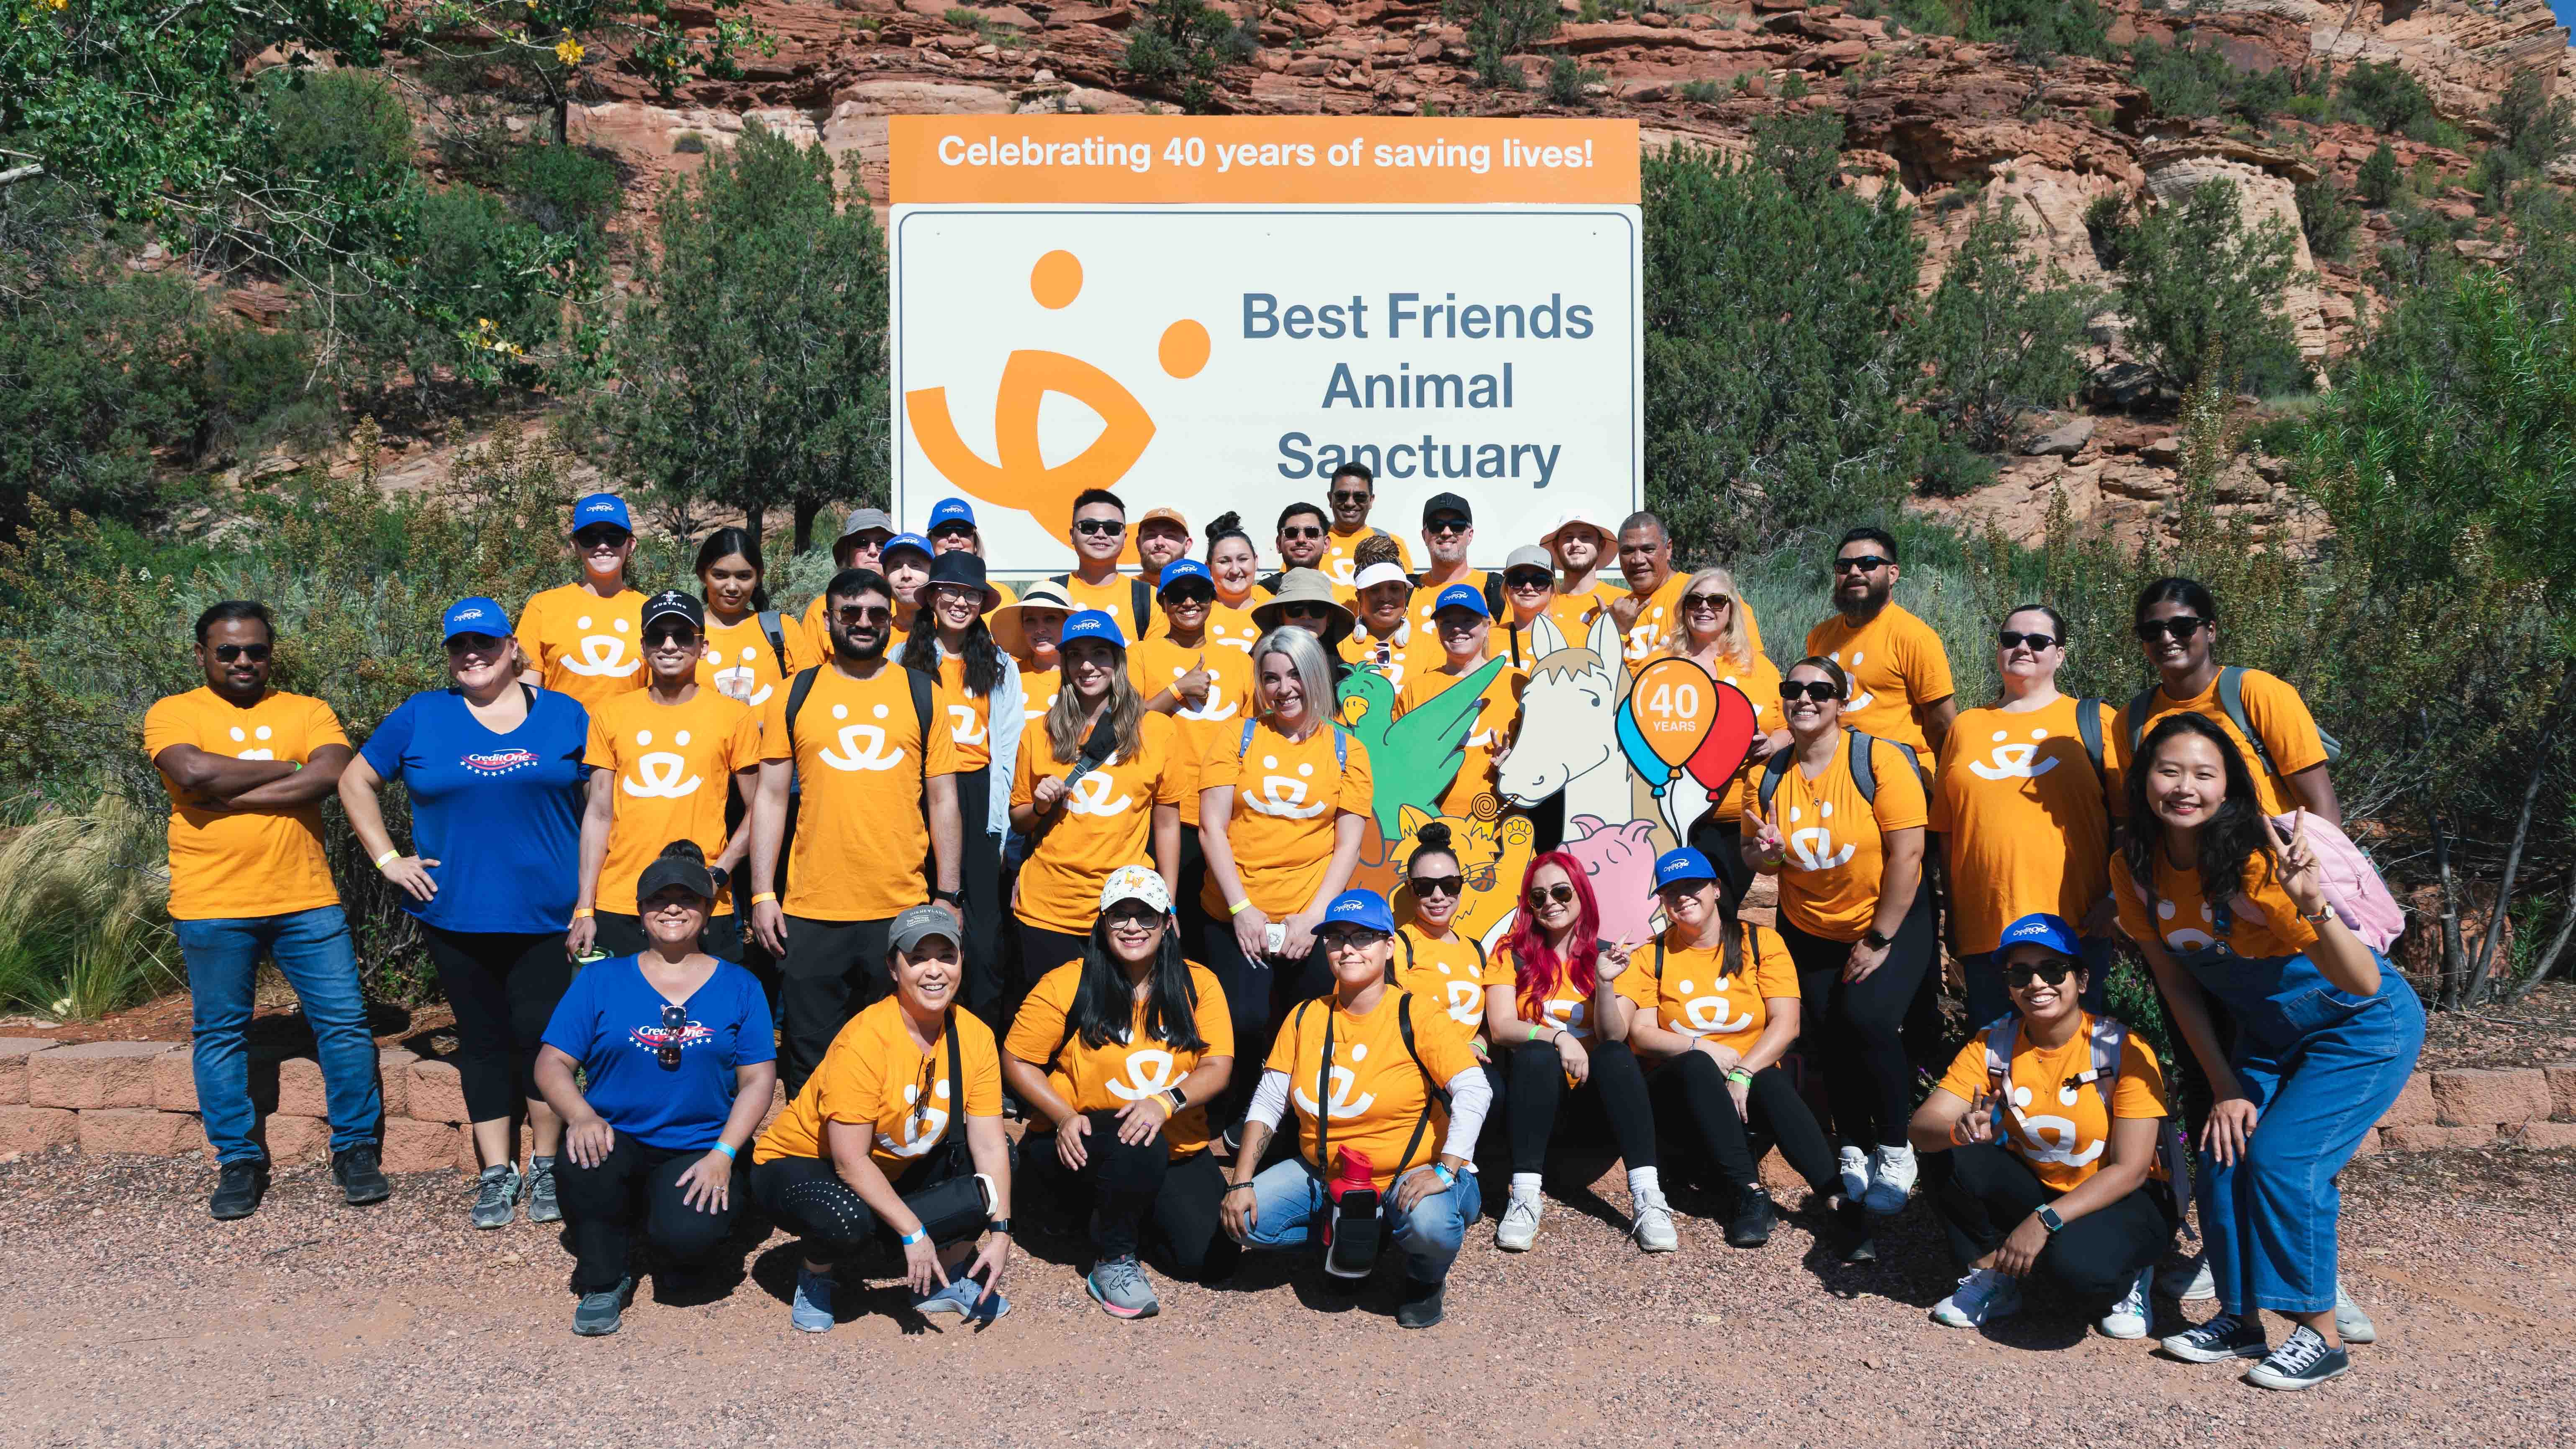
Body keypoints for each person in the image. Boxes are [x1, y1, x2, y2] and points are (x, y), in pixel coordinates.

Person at [2115, 714, 2422, 1390]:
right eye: (2170, 770)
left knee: (2286, 1160)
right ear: (2144, 782)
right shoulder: (2135, 866)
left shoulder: (2257, 858)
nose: (2185, 786)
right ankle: (2240, 1318)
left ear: (2228, 788)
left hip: (2361, 1027)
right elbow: (2176, 984)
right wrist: (2225, 1084)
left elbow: (2364, 981)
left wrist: (2313, 904)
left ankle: (2321, 1335)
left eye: (2204, 773)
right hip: (2270, 1034)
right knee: (2223, 1154)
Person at [341, 596, 590, 1229]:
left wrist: (593, 895)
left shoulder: (565, 715)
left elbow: (601, 806)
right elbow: (354, 780)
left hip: (547, 913)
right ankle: (495, 1170)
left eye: (485, 643)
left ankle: (547, 1164)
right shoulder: (423, 715)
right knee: (481, 1042)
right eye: (459, 646)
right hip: (454, 912)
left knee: (544, 1040)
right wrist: (389, 859)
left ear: (513, 647)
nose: (472, 655)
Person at [146, 601, 385, 1220]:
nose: (244, 660)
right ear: (202, 654)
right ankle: (239, 1158)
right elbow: (191, 769)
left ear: (270, 652)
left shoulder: (305, 709)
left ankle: (356, 1149)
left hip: (305, 896)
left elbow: (333, 773)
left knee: (344, 1023)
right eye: (228, 651)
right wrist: (288, 768)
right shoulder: (174, 711)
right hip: (211, 901)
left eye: (255, 649)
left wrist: (231, 790)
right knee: (222, 1033)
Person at [535, 844, 777, 1336]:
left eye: (687, 898)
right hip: (615, 1135)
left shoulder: (741, 985)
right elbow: (551, 1063)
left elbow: (759, 1080)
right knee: (585, 1162)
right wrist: (580, 1115)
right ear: (641, 912)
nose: (672, 907)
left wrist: (724, 1154)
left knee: (687, 1256)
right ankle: (605, 1278)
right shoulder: (601, 979)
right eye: (659, 898)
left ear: (708, 912)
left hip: (699, 1145)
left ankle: (662, 1225)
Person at [1221, 890, 1490, 1330]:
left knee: (1432, 1226)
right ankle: (1355, 1234)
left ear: (1388, 947)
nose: (1348, 948)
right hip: (1329, 1175)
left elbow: (1475, 1090)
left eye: (1364, 936)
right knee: (1244, 1221)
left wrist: (1445, 1170)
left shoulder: (1416, 1013)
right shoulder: (1305, 1016)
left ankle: (1425, 1276)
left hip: (1411, 1171)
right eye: (1336, 937)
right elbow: (1269, 1102)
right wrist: (1242, 1179)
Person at [1907, 912, 2176, 1339]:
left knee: (2076, 1274)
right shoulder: (1992, 1043)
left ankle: (2131, 1273)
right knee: (1948, 1151)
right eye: (2020, 973)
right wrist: (1960, 1129)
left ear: (2082, 980)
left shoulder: (2121, 1048)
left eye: (2053, 969)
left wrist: (2043, 1221)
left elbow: (2132, 1168)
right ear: (2009, 987)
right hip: (2042, 1186)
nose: (2036, 984)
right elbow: (1923, 1126)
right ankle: (1993, 1275)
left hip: (2123, 1198)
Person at [747, 569, 965, 1097]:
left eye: (875, 613)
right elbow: (771, 798)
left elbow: (944, 800)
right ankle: (814, 1171)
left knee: (900, 1053)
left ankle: (898, 1169)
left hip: (900, 908)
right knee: (811, 1058)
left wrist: (949, 894)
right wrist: (762, 892)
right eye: (850, 612)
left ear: (892, 619)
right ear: (828, 620)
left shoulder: (922, 692)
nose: (863, 623)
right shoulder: (793, 694)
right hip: (811, 908)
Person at [749, 905, 1017, 1331]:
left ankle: (938, 1279)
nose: (935, 971)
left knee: (1002, 1162)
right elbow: (849, 1160)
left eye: (947, 956)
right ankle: (816, 1273)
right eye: (918, 957)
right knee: (845, 1218)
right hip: (803, 1164)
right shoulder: (866, 1038)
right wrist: (914, 1231)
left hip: (895, 1161)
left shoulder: (975, 1035)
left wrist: (1001, 1231)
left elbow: (987, 1143)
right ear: (894, 968)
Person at [1742, 657, 1934, 1221]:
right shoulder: (1770, 774)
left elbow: (1910, 854)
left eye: (1820, 690)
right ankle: (1851, 1145)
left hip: (1891, 917)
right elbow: (1756, 856)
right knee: (1828, 1033)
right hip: (1810, 924)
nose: (1805, 698)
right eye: (1794, 689)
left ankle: (1896, 1149)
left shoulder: (1879, 759)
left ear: (1841, 701)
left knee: (1870, 1019)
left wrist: (1878, 937)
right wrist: (1767, 853)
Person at [1003, 867, 1235, 1318]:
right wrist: (1063, 1114)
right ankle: (1114, 1261)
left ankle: (1118, 1213)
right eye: (1120, 915)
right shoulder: (1068, 981)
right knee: (1136, 1138)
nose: (1133, 927)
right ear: (1102, 923)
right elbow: (1016, 1058)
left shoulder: (1198, 983)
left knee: (1210, 1260)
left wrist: (1165, 1101)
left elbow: (1218, 1065)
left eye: (1146, 915)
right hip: (1082, 1142)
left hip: (1172, 1142)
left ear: (1168, 922)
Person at [1625, 849, 1860, 1254]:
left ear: (1716, 889)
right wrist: (1703, 1047)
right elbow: (1641, 1034)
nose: (1683, 897)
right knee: (1697, 1064)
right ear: (1663, 902)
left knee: (1769, 1076)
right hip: (1680, 1099)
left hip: (1749, 1094)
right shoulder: (1653, 954)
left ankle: (1838, 1201)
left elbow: (1787, 1024)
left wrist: (1743, 1071)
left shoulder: (1760, 942)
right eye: (1671, 892)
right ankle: (1748, 1193)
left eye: (1693, 886)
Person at [1196, 626, 1373, 1093]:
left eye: (1295, 674)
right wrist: (1241, 910)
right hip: (1236, 915)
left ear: (1316, 675)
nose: (1283, 689)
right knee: (1244, 1020)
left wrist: (1314, 919)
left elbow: (1348, 846)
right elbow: (1211, 827)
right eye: (1271, 678)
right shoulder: (1237, 735)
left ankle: (1291, 1124)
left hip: (1308, 920)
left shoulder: (1348, 750)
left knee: (1307, 1025)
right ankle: (1238, 1111)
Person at [1933, 605, 2119, 1026]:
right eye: (2010, 639)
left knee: (2074, 1059)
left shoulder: (2094, 721)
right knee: (1998, 1064)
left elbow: (2129, 824)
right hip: (1988, 932)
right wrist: (1956, 920)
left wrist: (2114, 900)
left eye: (2038, 641)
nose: (2022, 648)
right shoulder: (1966, 726)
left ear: (2061, 655)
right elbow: (1947, 830)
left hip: (2074, 926)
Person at [1484, 853, 1673, 1253]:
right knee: (1536, 1053)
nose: (1550, 902)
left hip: (1597, 1111)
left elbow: (1614, 1033)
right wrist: (1558, 1037)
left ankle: (1649, 1197)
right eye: (1538, 897)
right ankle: (1524, 1197)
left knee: (1614, 1054)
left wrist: (1605, 983)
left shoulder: (1616, 955)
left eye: (1561, 891)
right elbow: (1501, 1027)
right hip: (1535, 1109)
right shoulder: (1510, 952)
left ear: (1582, 894)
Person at [573, 591, 762, 964]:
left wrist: (719, 873)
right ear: (643, 645)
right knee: (621, 1018)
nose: (670, 645)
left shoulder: (734, 717)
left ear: (703, 646)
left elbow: (762, 809)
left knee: (706, 1021)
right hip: (621, 899)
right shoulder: (609, 715)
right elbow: (597, 814)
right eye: (658, 636)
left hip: (704, 900)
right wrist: (585, 907)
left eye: (683, 635)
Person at [1009, 610, 1185, 1003]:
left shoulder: (1157, 731)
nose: (1087, 666)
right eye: (1075, 656)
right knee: (1049, 1025)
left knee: (1116, 1027)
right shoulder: (1039, 732)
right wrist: (1038, 805)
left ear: (1119, 661)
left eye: (1100, 654)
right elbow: (1019, 821)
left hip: (1125, 915)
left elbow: (1168, 826)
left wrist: (1168, 903)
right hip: (1047, 910)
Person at [901, 551, 1024, 1026]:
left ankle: (980, 1038)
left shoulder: (998, 664)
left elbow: (1007, 746)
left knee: (983, 932)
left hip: (978, 794)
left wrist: (997, 826)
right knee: (921, 914)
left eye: (971, 593)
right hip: (920, 793)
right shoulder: (902, 659)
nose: (960, 601)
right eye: (949, 590)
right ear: (932, 596)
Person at [2118, 576, 2340, 825]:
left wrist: (2319, 862)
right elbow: (2137, 813)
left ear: (2210, 631)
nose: (2167, 638)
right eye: (2152, 631)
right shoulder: (2131, 720)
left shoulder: (2257, 692)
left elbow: (2321, 806)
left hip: (2271, 860)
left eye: (2183, 626)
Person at [1129, 558, 1255, 941]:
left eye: (1198, 593)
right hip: (1164, 816)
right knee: (1165, 924)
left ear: (1212, 600)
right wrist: (1177, 690)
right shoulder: (1140, 655)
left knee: (1215, 930)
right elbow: (1124, 725)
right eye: (1177, 596)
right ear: (1163, 603)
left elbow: (1253, 735)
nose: (1188, 603)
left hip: (1225, 817)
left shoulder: (1239, 662)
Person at [1652, 567, 1780, 911]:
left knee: (1722, 911)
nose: (1704, 607)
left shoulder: (1758, 668)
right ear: (1683, 609)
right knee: (1677, 910)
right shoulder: (1660, 666)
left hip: (1737, 817)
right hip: (1673, 815)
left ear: (1732, 609)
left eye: (1716, 600)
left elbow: (1787, 727)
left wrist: (1772, 744)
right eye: (1695, 599)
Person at [1802, 527, 1957, 759]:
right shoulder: (1820, 636)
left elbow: (1943, 726)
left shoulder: (1914, 637)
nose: (1854, 572)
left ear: (1893, 574)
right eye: (1844, 567)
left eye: (1868, 563)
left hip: (1898, 775)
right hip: (1833, 775)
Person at [1393, 585, 1524, 820]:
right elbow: (1398, 764)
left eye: (1468, 620)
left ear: (1487, 626)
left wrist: (1515, 762)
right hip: (1430, 827)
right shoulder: (1417, 689)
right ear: (1437, 630)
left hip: (1502, 829)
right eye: (1446, 622)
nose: (1457, 629)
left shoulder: (1518, 683)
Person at [515, 492, 647, 710]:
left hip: (629, 741)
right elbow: (526, 694)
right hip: (563, 740)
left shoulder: (650, 611)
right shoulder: (542, 607)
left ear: (631, 545)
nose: (602, 546)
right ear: (575, 546)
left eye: (614, 536)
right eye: (590, 537)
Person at [693, 527, 794, 710]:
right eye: (720, 575)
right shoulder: (684, 635)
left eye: (743, 576)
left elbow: (808, 699)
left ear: (759, 577)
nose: (732, 587)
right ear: (702, 575)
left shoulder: (784, 630)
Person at [793, 507, 895, 671]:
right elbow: (807, 676)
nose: (873, 551)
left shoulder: (907, 607)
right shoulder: (821, 609)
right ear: (847, 553)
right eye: (862, 543)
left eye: (882, 544)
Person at [1055, 487, 1152, 642]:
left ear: (1125, 538)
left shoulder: (1149, 599)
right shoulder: (1050, 591)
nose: (1101, 534)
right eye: (1089, 527)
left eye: (1112, 529)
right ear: (1072, 535)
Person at [1341, 534, 1426, 690]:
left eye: (1394, 588)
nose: (1386, 597)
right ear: (1359, 596)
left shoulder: (1431, 647)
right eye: (1375, 589)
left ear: (1405, 594)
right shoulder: (1340, 647)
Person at [993, 579, 1074, 731]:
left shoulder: (1084, 676)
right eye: (1030, 620)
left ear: (1067, 623)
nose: (1040, 629)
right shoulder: (1007, 676)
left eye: (1050, 619)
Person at [1318, 462, 1414, 590]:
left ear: (1371, 501)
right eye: (1342, 496)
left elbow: (1406, 597)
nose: (1350, 503)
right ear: (1330, 499)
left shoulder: (1392, 544)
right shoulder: (1310, 541)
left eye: (1360, 497)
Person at [1407, 492, 1486, 645]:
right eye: (1437, 526)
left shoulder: (1495, 589)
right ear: (1425, 536)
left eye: (1457, 526)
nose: (1447, 533)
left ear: (1470, 535)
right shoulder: (1405, 592)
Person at [924, 497, 1017, 611]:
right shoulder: (913, 595)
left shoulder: (1003, 597)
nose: (954, 537)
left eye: (964, 531)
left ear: (976, 544)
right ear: (930, 542)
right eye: (943, 531)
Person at [1200, 511, 1273, 654]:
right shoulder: (1195, 612)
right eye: (1224, 561)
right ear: (1208, 567)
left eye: (1243, 559)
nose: (1235, 570)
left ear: (1256, 561)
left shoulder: (1275, 610)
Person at [1539, 508, 1622, 621]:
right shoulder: (1539, 604)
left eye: (1585, 537)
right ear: (1556, 546)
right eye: (1568, 538)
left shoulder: (1622, 601)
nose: (1575, 544)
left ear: (1601, 546)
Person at [1251, 569, 1355, 657]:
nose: (1306, 616)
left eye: (1317, 608)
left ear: (1330, 617)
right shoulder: (1255, 670)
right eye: (1295, 607)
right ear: (1280, 616)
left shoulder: (1347, 678)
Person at [1494, 544, 1567, 668]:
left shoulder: (1577, 635)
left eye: (1540, 581)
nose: (1528, 587)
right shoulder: (1489, 640)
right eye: (1518, 580)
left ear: (1553, 588)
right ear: (1506, 588)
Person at [1261, 501, 1331, 592]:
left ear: (1326, 544)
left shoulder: (1342, 597)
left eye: (1312, 533)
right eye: (1291, 533)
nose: (1301, 540)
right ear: (1279, 544)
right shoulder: (1260, 596)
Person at [880, 532, 935, 636]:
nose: (906, 574)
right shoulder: (876, 634)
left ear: (933, 573)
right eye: (896, 567)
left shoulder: (951, 632)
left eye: (915, 565)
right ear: (885, 577)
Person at [1134, 505, 1193, 592]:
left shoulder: (1205, 595)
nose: (1159, 543)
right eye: (1151, 535)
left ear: (1187, 545)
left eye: (1170, 536)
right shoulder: (1123, 592)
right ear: (1139, 544)